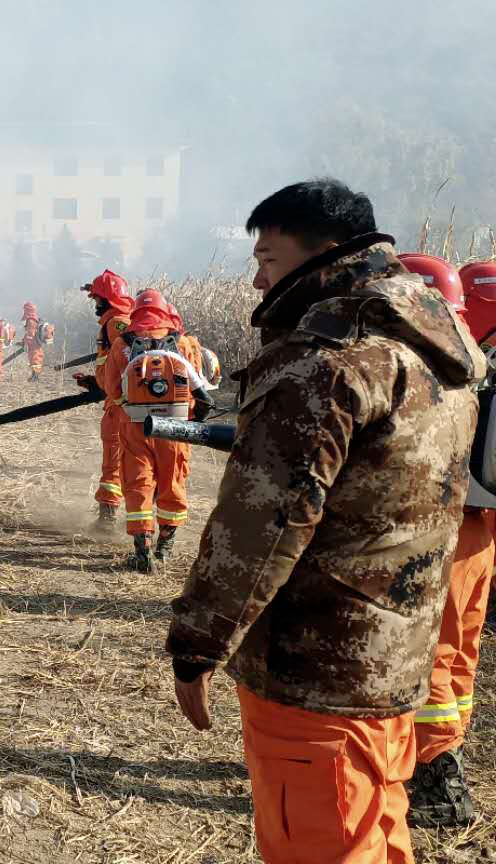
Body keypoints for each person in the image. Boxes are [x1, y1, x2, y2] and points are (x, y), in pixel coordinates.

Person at [166, 179, 485, 864]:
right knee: (372, 829)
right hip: (393, 659)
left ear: (323, 255)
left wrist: (197, 645)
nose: (256, 280)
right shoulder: (438, 348)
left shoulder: (329, 366)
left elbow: (260, 527)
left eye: (268, 259)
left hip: (319, 667)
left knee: (322, 840)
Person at [398, 254, 493, 828]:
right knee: (459, 645)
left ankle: (436, 774)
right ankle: (441, 753)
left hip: (442, 528)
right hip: (477, 532)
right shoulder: (475, 364)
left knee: (432, 648)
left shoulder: (429, 370)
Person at [103, 289, 207, 571]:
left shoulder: (122, 344)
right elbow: (198, 387)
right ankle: (165, 549)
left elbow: (112, 389)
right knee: (172, 481)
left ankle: (142, 552)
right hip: (175, 426)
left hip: (136, 425)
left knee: (138, 483)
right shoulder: (183, 343)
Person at [74, 271, 134, 528]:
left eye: (97, 299)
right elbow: (112, 363)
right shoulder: (116, 322)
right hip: (118, 398)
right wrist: (95, 381)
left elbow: (123, 365)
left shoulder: (117, 323)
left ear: (107, 299)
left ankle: (107, 518)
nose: (95, 305)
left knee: (114, 458)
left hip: (120, 405)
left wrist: (110, 389)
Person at [21, 302, 45, 381]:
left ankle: (35, 377)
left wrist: (26, 344)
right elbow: (28, 333)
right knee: (36, 359)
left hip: (33, 344)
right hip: (36, 343)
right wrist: (23, 341)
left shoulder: (30, 320)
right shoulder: (34, 318)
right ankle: (34, 376)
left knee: (35, 359)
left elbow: (30, 334)